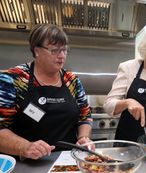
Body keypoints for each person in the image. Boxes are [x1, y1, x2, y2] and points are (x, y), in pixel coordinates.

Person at [0, 24, 92, 160]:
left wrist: (83, 137)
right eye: (54, 50)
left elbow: (85, 116)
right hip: (26, 163)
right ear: (37, 50)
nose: (61, 56)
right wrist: (25, 147)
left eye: (64, 50)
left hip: (67, 161)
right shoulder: (13, 79)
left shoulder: (71, 80)